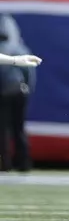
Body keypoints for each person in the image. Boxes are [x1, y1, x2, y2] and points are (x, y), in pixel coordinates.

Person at [0, 15, 38, 172]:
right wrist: (28, 88)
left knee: (3, 129)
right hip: (19, 92)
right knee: (18, 128)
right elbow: (29, 73)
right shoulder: (19, 48)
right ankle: (23, 163)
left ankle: (5, 163)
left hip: (4, 93)